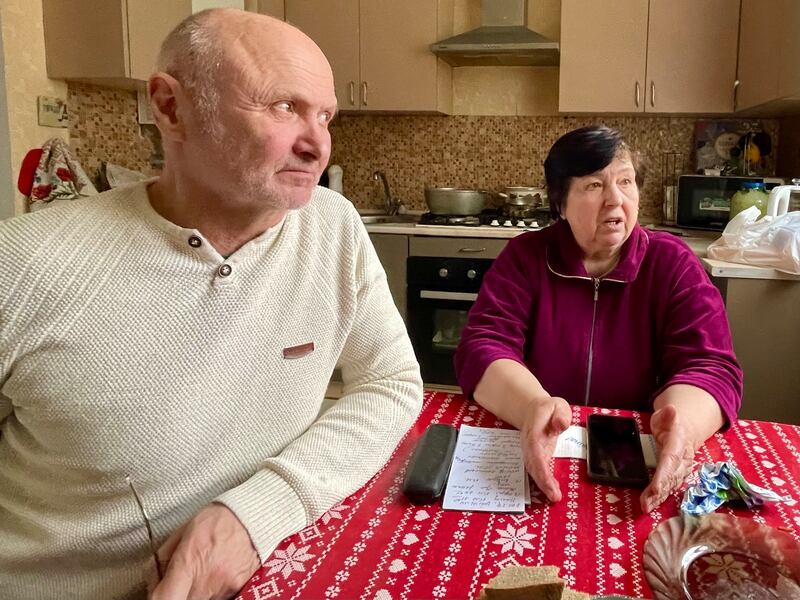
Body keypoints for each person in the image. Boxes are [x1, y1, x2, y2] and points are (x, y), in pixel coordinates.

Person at [0, 9, 422, 600]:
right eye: (283, 107)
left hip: (265, 574)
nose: (316, 144)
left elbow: (393, 381)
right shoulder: (20, 263)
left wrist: (258, 513)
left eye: (325, 116)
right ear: (171, 108)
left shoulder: (332, 227)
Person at [454, 125, 742, 514]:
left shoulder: (673, 264)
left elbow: (710, 365)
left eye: (625, 181)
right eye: (594, 186)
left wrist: (684, 425)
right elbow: (482, 346)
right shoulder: (526, 258)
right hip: (541, 445)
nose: (615, 200)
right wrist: (532, 408)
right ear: (559, 202)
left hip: (634, 460)